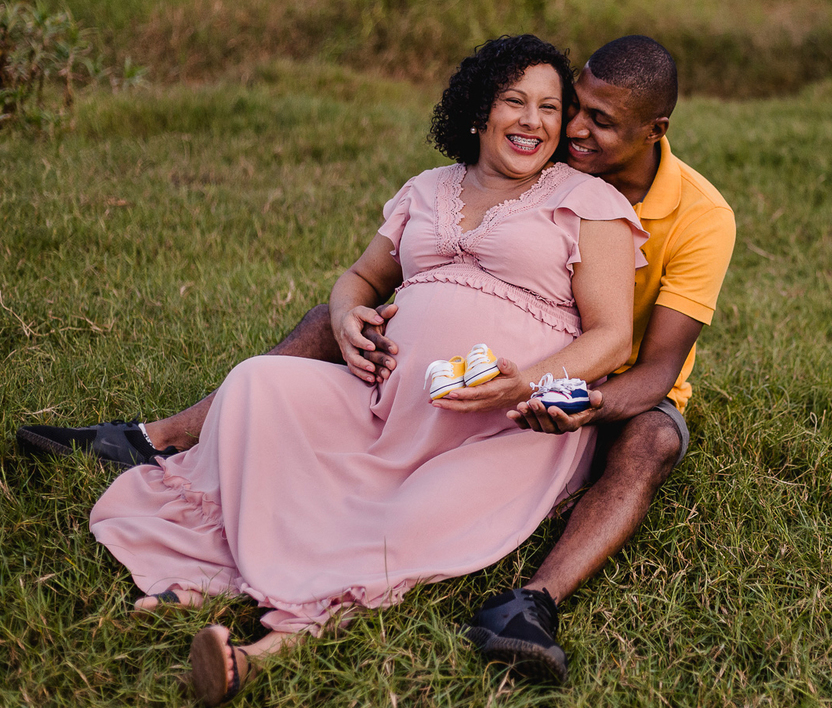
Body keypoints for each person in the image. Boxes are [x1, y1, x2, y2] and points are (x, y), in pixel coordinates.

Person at [18, 35, 738, 685]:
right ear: (480, 110)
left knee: (607, 451)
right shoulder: (431, 187)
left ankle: (295, 642)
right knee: (260, 384)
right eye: (530, 103)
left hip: (517, 416)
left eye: (561, 110)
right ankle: (181, 504)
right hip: (392, 399)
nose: (560, 126)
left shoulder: (612, 203)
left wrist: (539, 387)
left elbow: (628, 350)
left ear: (653, 130)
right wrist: (346, 313)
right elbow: (362, 277)